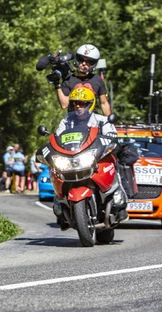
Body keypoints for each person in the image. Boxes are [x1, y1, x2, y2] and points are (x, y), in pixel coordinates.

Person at [56, 87, 128, 222]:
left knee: (114, 161)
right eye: (75, 103)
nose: (78, 107)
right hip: (74, 159)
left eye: (82, 103)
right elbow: (58, 137)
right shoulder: (66, 122)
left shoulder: (102, 120)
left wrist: (111, 138)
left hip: (96, 158)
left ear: (90, 104)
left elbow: (112, 135)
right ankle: (60, 203)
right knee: (55, 169)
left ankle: (120, 200)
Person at [50, 44, 111, 116]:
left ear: (93, 64)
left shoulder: (97, 80)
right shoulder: (69, 79)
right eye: (81, 60)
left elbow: (104, 103)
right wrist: (57, 85)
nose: (84, 63)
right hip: (73, 121)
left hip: (92, 120)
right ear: (77, 59)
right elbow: (64, 105)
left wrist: (110, 123)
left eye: (89, 61)